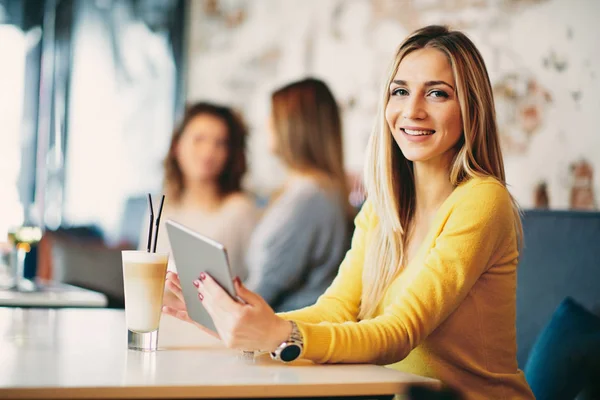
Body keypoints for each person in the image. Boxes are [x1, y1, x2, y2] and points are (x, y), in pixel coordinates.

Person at [163, 26, 535, 399]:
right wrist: (246, 325)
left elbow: (400, 332)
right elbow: (338, 307)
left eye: (437, 93)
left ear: (471, 106)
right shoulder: (384, 203)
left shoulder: (483, 200)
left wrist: (282, 335)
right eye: (400, 91)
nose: (412, 110)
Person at [243, 77, 353, 312]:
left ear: (294, 125)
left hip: (287, 332)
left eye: (273, 115)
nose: (266, 123)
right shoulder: (314, 190)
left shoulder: (310, 198)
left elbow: (265, 288)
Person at [139, 102, 258, 282]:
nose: (208, 152)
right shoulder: (161, 208)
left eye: (220, 143)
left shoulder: (240, 210)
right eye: (199, 139)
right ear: (177, 146)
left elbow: (253, 283)